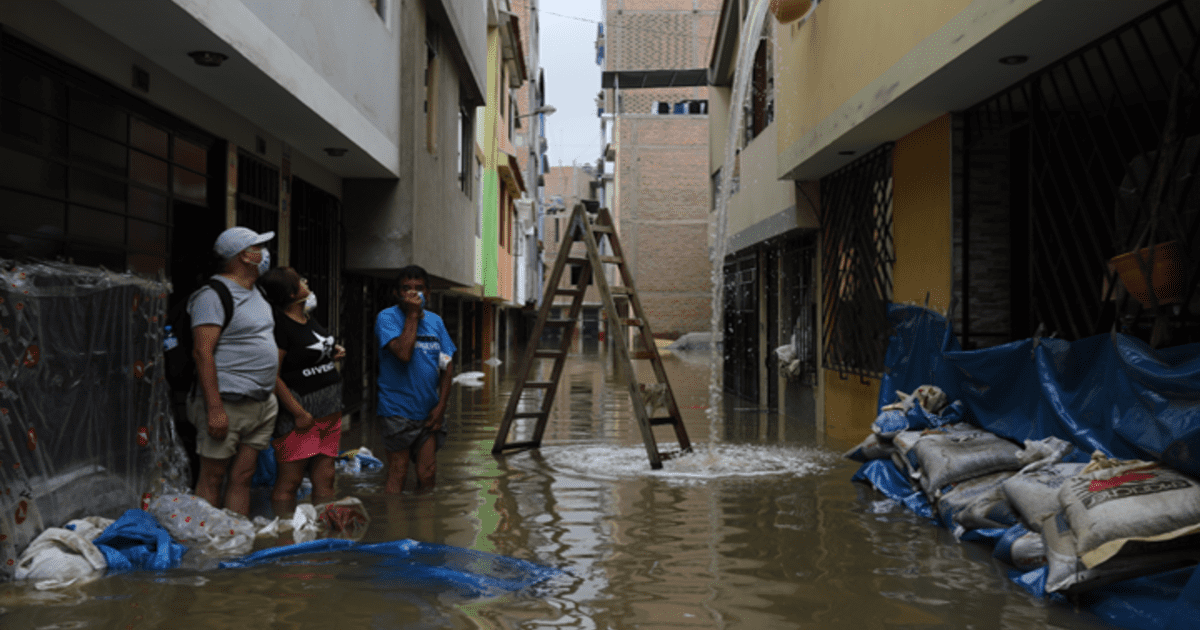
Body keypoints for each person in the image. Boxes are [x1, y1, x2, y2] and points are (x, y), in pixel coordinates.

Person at [188, 227, 279, 516]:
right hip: (227, 402)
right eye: (259, 247)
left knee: (243, 477)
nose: (265, 253)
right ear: (244, 256)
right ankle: (207, 546)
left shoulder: (257, 292)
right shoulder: (212, 296)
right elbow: (203, 353)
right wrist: (214, 408)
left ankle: (235, 540)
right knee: (213, 477)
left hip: (261, 402)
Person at [257, 267, 345, 516]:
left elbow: (307, 353)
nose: (306, 281)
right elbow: (272, 374)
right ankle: (285, 536)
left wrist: (331, 353)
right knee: (290, 482)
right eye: (300, 280)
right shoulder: (280, 327)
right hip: (301, 415)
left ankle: (324, 531)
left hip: (328, 410)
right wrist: (297, 412)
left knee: (326, 478)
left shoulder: (308, 318)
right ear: (291, 292)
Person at [375, 265, 456, 493]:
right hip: (396, 411)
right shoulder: (386, 318)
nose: (413, 293)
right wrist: (412, 314)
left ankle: (424, 522)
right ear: (396, 293)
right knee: (398, 472)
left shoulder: (435, 322)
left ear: (428, 293)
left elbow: (447, 365)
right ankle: (397, 525)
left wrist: (441, 406)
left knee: (428, 473)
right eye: (406, 288)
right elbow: (403, 353)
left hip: (428, 412)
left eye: (419, 288)